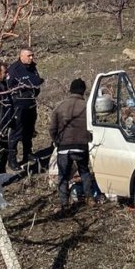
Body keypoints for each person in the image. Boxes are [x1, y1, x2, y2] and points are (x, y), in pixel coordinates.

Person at [49, 78, 101, 209]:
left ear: (70, 90)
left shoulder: (59, 106)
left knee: (63, 176)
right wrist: (88, 139)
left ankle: (64, 203)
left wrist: (57, 141)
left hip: (64, 148)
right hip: (81, 146)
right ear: (83, 91)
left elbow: (52, 129)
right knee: (84, 171)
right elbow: (94, 127)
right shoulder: (87, 107)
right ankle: (90, 198)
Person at [6, 48, 44, 170]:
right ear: (21, 56)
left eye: (32, 55)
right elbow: (8, 87)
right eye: (29, 56)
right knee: (16, 133)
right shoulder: (14, 69)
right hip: (19, 106)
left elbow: (36, 81)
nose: (32, 58)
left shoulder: (32, 67)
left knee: (29, 131)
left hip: (31, 104)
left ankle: (28, 154)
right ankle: (12, 160)